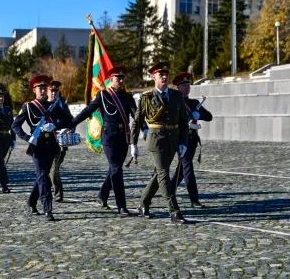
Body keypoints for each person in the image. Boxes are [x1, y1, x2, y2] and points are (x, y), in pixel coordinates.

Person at [71, 66, 136, 215]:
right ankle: (121, 206)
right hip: (109, 137)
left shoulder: (127, 97)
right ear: (111, 80)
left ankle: (102, 194)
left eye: (122, 78)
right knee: (116, 169)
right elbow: (88, 110)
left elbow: (135, 115)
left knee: (114, 168)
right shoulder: (104, 95)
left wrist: (145, 129)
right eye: (117, 78)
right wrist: (73, 123)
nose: (120, 81)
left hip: (123, 137)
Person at [131, 61, 189, 224]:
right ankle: (174, 211)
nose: (164, 77)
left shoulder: (176, 96)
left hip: (173, 138)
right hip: (156, 139)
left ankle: (144, 202)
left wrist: (183, 141)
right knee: (164, 174)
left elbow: (184, 121)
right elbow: (137, 121)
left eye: (166, 74)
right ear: (154, 77)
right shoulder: (147, 97)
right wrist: (133, 144)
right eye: (160, 75)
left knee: (159, 174)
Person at [12, 75, 72, 221]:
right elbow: (15, 125)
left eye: (45, 88)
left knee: (42, 176)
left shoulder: (54, 105)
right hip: (37, 147)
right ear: (34, 90)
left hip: (51, 145)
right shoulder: (29, 106)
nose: (44, 91)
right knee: (44, 177)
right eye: (41, 88)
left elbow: (68, 120)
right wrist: (27, 137)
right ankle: (48, 209)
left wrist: (55, 125)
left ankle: (32, 201)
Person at [171, 72, 213, 208]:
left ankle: (169, 191)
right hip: (179, 139)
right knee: (188, 166)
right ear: (178, 87)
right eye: (183, 85)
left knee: (182, 170)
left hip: (192, 139)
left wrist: (198, 114)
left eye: (188, 84)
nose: (186, 87)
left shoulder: (194, 103)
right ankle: (194, 199)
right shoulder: (174, 103)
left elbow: (209, 116)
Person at [48, 80, 74, 203]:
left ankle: (58, 194)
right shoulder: (44, 105)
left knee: (54, 168)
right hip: (47, 141)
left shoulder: (62, 105)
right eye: (52, 91)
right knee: (50, 169)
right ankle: (51, 190)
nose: (54, 93)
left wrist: (68, 130)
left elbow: (71, 121)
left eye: (56, 91)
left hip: (60, 140)